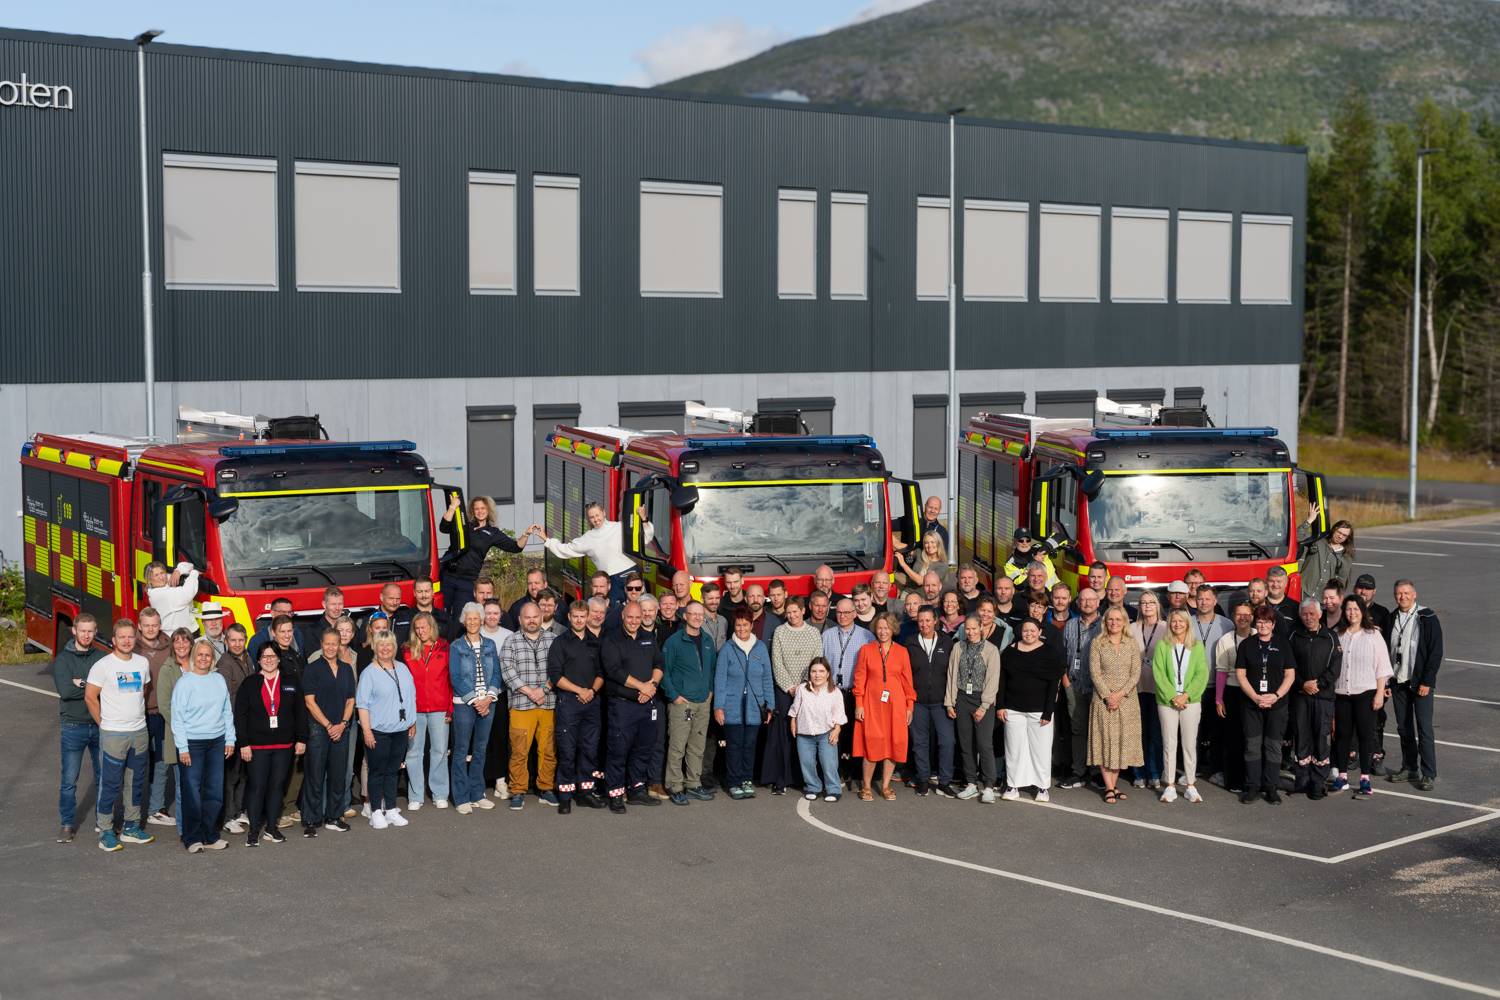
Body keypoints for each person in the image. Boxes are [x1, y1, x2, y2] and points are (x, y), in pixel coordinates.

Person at [86, 620, 156, 852]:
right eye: (122, 637)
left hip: (139, 732)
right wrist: (103, 723)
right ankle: (105, 830)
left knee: (136, 781)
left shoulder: (142, 662)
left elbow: (143, 691)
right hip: (113, 734)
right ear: (113, 640)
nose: (126, 641)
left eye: (130, 637)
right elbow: (90, 696)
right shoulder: (103, 665)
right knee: (111, 783)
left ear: (135, 639)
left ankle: (130, 828)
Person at [235, 642, 308, 844]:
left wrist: (301, 739)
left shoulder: (291, 682)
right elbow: (240, 716)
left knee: (276, 786)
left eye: (273, 656)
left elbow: (300, 712)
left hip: (284, 746)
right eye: (265, 657)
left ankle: (271, 828)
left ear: (279, 658)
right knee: (257, 787)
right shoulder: (249, 684)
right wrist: (244, 743)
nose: (269, 660)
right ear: (258, 660)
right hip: (256, 747)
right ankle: (253, 831)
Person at [171, 638, 237, 851]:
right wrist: (183, 748)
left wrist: (230, 739)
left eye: (207, 655)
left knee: (214, 791)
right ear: (193, 656)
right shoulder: (185, 683)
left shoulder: (218, 679)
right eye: (199, 654)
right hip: (192, 744)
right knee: (191, 791)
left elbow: (227, 711)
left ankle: (210, 835)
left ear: (212, 658)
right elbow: (177, 718)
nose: (203, 659)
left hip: (217, 742)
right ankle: (192, 838)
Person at [604, 602, 668, 811]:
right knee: (619, 751)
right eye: (630, 617)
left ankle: (637, 790)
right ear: (623, 615)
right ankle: (615, 793)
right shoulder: (612, 639)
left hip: (646, 705)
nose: (634, 622)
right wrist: (642, 686)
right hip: (622, 707)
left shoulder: (648, 637)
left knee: (643, 749)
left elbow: (659, 664)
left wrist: (653, 685)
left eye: (637, 618)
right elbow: (613, 671)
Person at [1331, 595, 1393, 798]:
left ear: (1362, 611)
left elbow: (1382, 667)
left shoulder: (1373, 635)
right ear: (1344, 611)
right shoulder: (1336, 634)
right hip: (1341, 694)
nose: (1352, 613)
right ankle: (1342, 777)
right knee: (1342, 735)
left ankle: (1365, 778)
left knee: (1365, 736)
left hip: (1365, 693)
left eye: (1356, 609)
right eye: (1348, 609)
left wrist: (1379, 694)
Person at [1234, 606, 1296, 805]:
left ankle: (1271, 787)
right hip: (1251, 704)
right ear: (1255, 623)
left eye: (1267, 622)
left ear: (1273, 624)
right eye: (1259, 622)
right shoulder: (1246, 645)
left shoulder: (1283, 645)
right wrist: (1255, 697)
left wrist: (1276, 696)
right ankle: (1252, 786)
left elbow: (1290, 675)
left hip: (1276, 705)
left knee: (1273, 746)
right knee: (1252, 746)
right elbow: (1241, 674)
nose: (1263, 626)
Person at [355, 633, 417, 830]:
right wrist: (367, 731)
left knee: (393, 771)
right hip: (378, 731)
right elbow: (362, 705)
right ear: (374, 647)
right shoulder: (368, 673)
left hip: (400, 729)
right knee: (377, 772)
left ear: (395, 647)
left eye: (389, 644)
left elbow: (410, 697)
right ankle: (375, 812)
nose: (385, 648)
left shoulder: (404, 669)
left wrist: (412, 721)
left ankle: (390, 809)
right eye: (380, 645)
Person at [499, 603, 558, 810]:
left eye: (535, 617)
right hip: (521, 705)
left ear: (541, 617)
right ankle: (517, 790)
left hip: (548, 703)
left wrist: (544, 689)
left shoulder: (553, 640)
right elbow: (507, 671)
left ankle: (546, 788)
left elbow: (559, 669)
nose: (531, 620)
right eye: (527, 617)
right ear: (520, 620)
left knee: (548, 750)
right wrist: (530, 692)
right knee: (519, 751)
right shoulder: (511, 641)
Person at [851, 613, 916, 801]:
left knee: (893, 743)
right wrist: (859, 704)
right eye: (879, 627)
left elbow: (907, 682)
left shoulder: (902, 652)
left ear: (893, 629)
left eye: (886, 627)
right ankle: (867, 786)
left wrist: (909, 706)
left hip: (896, 705)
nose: (883, 631)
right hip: (871, 704)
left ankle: (886, 786)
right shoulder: (866, 650)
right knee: (872, 742)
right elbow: (859, 679)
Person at [550, 600, 606, 813]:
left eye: (583, 616)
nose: (580, 620)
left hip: (592, 703)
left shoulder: (596, 642)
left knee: (590, 750)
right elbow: (556, 676)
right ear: (570, 617)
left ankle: (585, 793)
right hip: (569, 704)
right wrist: (579, 691)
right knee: (567, 750)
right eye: (576, 616)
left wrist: (591, 691)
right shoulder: (560, 642)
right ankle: (565, 795)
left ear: (588, 616)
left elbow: (602, 673)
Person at [1386, 579, 1443, 791]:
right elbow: (1387, 652)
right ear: (1395, 595)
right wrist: (1388, 681)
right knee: (1404, 727)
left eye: (1406, 593)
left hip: (1420, 683)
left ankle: (1428, 773)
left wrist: (1427, 681)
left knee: (1424, 729)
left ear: (1414, 594)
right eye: (1399, 593)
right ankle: (1409, 767)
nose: (1403, 597)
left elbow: (1435, 653)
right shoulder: (1392, 618)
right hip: (1399, 682)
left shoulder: (1427, 617)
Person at [53, 614, 105, 844]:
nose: (86, 635)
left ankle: (102, 821)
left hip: (101, 724)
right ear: (74, 631)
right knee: (69, 780)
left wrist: (80, 683)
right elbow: (66, 692)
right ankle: (67, 824)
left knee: (104, 776)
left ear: (95, 632)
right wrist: (92, 686)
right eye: (82, 631)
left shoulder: (103, 658)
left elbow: (109, 689)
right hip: (73, 726)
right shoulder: (62, 660)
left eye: (90, 631)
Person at [998, 618, 1063, 802]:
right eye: (1025, 631)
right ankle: (1013, 785)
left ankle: (1042, 787)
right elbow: (1002, 680)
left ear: (1039, 631)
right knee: (1013, 749)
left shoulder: (1049, 652)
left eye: (1032, 631)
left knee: (1040, 750)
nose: (1029, 634)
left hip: (1039, 710)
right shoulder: (1009, 652)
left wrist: (1048, 712)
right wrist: (1001, 705)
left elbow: (1053, 684)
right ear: (1021, 632)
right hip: (1013, 709)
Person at [661, 601, 718, 806]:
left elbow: (711, 669)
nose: (697, 617)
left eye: (700, 614)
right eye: (692, 614)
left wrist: (710, 690)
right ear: (685, 615)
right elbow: (664, 673)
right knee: (678, 746)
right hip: (682, 704)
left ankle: (693, 783)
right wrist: (674, 696)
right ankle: (675, 786)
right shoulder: (674, 642)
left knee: (697, 746)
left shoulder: (708, 640)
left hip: (703, 703)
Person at [713, 608, 774, 799]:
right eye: (738, 624)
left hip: (755, 707)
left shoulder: (761, 648)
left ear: (751, 625)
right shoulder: (727, 648)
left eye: (745, 624)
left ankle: (747, 780)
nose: (741, 628)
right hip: (732, 706)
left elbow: (767, 679)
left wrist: (770, 705)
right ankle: (734, 782)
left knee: (749, 745)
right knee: (734, 746)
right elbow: (720, 680)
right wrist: (718, 706)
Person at [448, 601, 502, 814]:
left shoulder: (490, 644)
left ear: (481, 621)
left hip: (488, 703)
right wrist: (475, 701)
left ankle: (477, 794)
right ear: (464, 621)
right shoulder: (456, 646)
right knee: (461, 751)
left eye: (475, 618)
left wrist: (488, 698)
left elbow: (496, 674)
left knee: (480, 750)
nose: (472, 622)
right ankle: (461, 797)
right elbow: (456, 677)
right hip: (464, 704)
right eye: (468, 618)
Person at [302, 628, 357, 835]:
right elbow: (310, 702)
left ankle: (333, 817)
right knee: (314, 776)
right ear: (321, 644)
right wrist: (328, 726)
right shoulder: (313, 668)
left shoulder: (345, 669)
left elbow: (351, 700)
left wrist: (342, 724)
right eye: (327, 643)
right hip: (318, 729)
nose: (331, 647)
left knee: (337, 776)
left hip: (341, 729)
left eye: (335, 643)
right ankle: (311, 820)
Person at [441, 493, 532, 617]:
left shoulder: (493, 533)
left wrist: (526, 534)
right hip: (448, 576)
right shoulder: (464, 524)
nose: (480, 511)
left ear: (488, 510)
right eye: (476, 508)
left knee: (461, 618)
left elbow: (516, 547)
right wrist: (452, 507)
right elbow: (444, 527)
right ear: (472, 511)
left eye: (483, 508)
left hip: (467, 581)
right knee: (441, 614)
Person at [1088, 607, 1143, 804]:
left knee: (1120, 742)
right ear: (1105, 622)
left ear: (1124, 622)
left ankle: (1114, 783)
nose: (1114, 622)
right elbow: (1095, 672)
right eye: (1110, 619)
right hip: (1103, 701)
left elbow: (1135, 672)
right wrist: (1108, 697)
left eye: (1118, 619)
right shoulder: (1098, 643)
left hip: (1127, 701)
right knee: (1105, 742)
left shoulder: (1131, 643)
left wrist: (1120, 694)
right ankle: (1109, 787)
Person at [763, 595, 818, 795]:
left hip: (808, 690)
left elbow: (816, 661)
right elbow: (776, 662)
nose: (792, 615)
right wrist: (789, 687)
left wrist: (804, 686)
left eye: (795, 611)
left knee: (804, 735)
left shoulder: (813, 633)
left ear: (803, 611)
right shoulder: (779, 632)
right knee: (783, 735)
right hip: (784, 692)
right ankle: (780, 779)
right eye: (788, 612)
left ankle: (803, 778)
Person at [1152, 609, 1208, 803]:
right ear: (1170, 624)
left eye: (1181, 621)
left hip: (1190, 701)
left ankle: (1190, 785)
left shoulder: (1197, 646)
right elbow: (1158, 672)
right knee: (1169, 743)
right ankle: (1169, 786)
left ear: (1187, 624)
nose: (1177, 624)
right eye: (1174, 621)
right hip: (1167, 701)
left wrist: (1185, 696)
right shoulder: (1162, 645)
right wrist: (1173, 697)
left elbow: (1201, 674)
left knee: (1189, 744)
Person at [1288, 598, 1341, 799]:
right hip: (1299, 697)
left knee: (1320, 740)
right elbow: (1288, 665)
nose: (1308, 618)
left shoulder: (1330, 638)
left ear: (1320, 614)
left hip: (1323, 698)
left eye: (1312, 614)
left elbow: (1335, 668)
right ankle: (1301, 783)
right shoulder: (1293, 635)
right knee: (1301, 739)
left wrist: (1317, 685)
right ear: (1300, 615)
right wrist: (1302, 684)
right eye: (1304, 614)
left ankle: (1318, 784)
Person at [400, 612, 451, 811]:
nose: (421, 631)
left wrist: (450, 708)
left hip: (439, 709)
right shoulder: (407, 650)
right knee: (413, 752)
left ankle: (439, 794)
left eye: (424, 627)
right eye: (417, 628)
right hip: (415, 710)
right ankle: (415, 795)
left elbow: (450, 680)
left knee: (439, 751)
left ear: (432, 627)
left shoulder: (445, 647)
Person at [948, 615, 1001, 803]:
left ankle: (988, 786)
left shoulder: (991, 650)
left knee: (984, 743)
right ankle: (971, 783)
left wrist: (984, 706)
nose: (970, 632)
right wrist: (950, 702)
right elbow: (952, 674)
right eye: (967, 629)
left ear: (981, 628)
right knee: (966, 743)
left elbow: (993, 680)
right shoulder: (958, 647)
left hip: (982, 700)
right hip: (962, 698)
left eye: (973, 628)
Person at [905, 606, 956, 797]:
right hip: (917, 703)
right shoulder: (910, 643)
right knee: (920, 743)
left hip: (941, 702)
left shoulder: (947, 642)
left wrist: (951, 701)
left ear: (936, 620)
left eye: (928, 620)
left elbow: (952, 673)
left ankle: (944, 781)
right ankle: (923, 779)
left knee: (947, 741)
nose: (924, 624)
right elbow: (905, 675)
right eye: (920, 621)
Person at [145, 627, 193, 829]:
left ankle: (195, 812)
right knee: (173, 770)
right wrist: (184, 727)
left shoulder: (199, 664)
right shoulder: (168, 668)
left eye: (185, 641)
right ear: (172, 645)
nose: (181, 645)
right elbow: (165, 704)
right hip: (177, 729)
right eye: (177, 641)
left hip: (201, 729)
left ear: (191, 643)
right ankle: (180, 820)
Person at [822, 599, 873, 788]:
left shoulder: (867, 636)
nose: (842, 616)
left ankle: (854, 769)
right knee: (836, 733)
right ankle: (838, 770)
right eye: (839, 613)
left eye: (846, 613)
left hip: (855, 693)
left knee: (854, 732)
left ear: (854, 614)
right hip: (833, 693)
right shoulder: (827, 635)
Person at [1059, 588, 1103, 790]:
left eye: (1091, 599)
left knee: (1097, 731)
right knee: (1077, 730)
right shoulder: (1069, 625)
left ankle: (1096, 772)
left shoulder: (1105, 625)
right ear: (1077, 603)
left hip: (1098, 687)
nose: (1087, 603)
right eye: (1083, 600)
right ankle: (1078, 772)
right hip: (1074, 685)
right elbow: (1062, 656)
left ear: (1098, 601)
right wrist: (1065, 680)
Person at [215, 624, 256, 834]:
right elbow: (227, 700)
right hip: (233, 726)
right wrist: (235, 729)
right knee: (231, 775)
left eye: (241, 640)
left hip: (247, 725)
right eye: (233, 640)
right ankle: (228, 816)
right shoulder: (225, 663)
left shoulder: (248, 658)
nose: (237, 644)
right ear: (226, 641)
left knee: (243, 773)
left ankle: (239, 811)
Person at [789, 658, 847, 802]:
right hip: (804, 733)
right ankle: (813, 787)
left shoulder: (834, 692)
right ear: (809, 673)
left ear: (828, 673)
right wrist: (792, 721)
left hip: (826, 732)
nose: (817, 675)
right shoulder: (802, 689)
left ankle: (833, 789)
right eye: (814, 671)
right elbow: (796, 708)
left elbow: (839, 713)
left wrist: (837, 730)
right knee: (807, 762)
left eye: (821, 671)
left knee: (828, 762)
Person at [1352, 572, 1393, 774]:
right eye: (1360, 587)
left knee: (1376, 720)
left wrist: (1387, 683)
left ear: (1374, 591)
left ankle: (1376, 758)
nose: (1363, 591)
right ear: (1354, 589)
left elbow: (1390, 650)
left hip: (1376, 678)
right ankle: (1352, 755)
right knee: (1351, 719)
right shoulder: (1349, 610)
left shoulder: (1383, 614)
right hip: (1354, 676)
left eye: (1367, 589)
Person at [1213, 602, 1254, 793]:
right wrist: (1219, 700)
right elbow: (1221, 671)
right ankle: (1235, 781)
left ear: (1252, 617)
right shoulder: (1226, 639)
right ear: (1233, 617)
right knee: (1233, 739)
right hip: (1232, 692)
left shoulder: (1259, 635)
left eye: (1246, 614)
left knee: (1252, 738)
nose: (1242, 618)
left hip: (1255, 694)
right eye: (1238, 614)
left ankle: (1253, 779)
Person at [1128, 591, 1167, 790]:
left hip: (1158, 688)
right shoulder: (1132, 627)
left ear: (1157, 605)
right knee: (1138, 733)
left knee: (1155, 733)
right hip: (1135, 688)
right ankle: (1139, 773)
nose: (1147, 606)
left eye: (1151, 602)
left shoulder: (1166, 628)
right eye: (1143, 603)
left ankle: (1154, 772)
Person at [1300, 505, 1355, 595]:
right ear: (1333, 530)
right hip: (1303, 590)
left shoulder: (1346, 557)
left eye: (1344, 535)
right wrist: (1309, 520)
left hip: (1323, 598)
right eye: (1339, 532)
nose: (1340, 536)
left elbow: (1340, 583)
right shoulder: (1317, 540)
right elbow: (1297, 537)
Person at [144, 559, 200, 633]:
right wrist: (194, 574)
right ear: (149, 580)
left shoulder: (162, 584)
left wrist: (177, 571)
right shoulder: (161, 594)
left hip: (185, 630)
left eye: (162, 573)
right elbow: (187, 592)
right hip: (178, 635)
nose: (161, 577)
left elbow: (189, 565)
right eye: (156, 575)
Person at [301, 586, 346, 657]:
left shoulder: (351, 630)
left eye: (340, 604)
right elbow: (314, 662)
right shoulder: (313, 632)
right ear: (324, 604)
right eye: (333, 604)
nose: (337, 608)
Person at [1263, 567, 1299, 637]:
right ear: (1266, 582)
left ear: (1286, 583)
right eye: (1271, 581)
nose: (1275, 585)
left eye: (1279, 581)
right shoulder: (1259, 605)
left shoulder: (1295, 607)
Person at [701, 583, 730, 649]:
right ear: (702, 599)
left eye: (717, 598)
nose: (714, 602)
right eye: (711, 598)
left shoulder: (723, 621)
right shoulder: (697, 621)